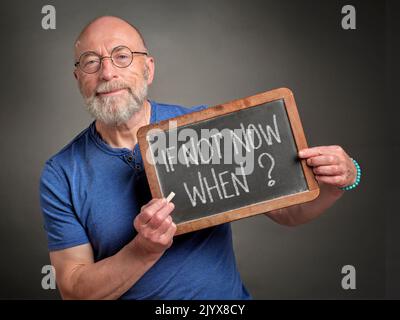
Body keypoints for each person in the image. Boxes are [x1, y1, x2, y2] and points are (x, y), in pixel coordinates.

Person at [39, 16, 359, 300]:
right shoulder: (61, 173)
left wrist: (339, 180)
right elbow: (74, 289)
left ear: (148, 68)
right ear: (78, 77)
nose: (107, 72)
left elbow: (289, 212)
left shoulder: (205, 128)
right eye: (91, 62)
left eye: (121, 56)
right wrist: (143, 250)